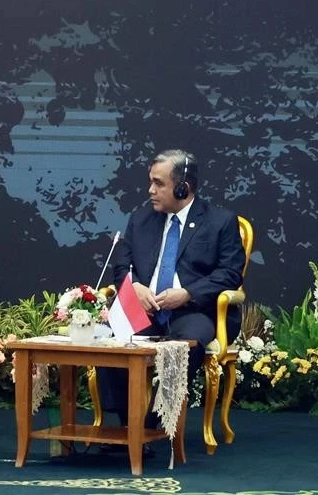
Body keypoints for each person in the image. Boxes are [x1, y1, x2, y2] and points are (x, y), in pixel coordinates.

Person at [98, 148, 246, 432]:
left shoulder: (220, 221)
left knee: (184, 346)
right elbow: (121, 266)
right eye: (151, 182)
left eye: (159, 183)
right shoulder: (141, 218)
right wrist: (136, 287)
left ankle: (155, 427)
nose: (150, 190)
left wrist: (188, 293)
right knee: (111, 343)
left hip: (194, 310)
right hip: (144, 308)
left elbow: (230, 274)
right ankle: (128, 427)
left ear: (182, 188)